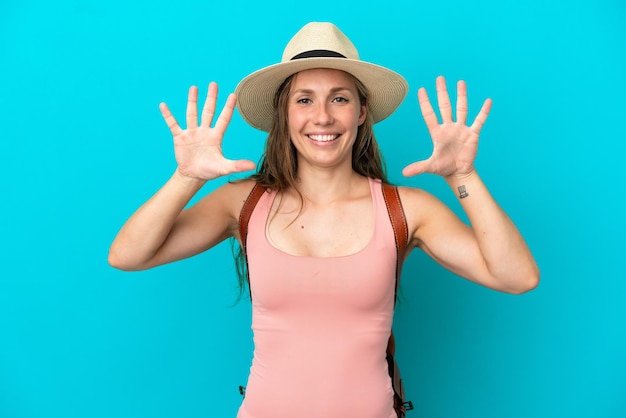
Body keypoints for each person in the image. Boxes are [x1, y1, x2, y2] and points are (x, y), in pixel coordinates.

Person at [109, 22, 539, 418]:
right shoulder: (243, 202)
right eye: (304, 100)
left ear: (361, 111)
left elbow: (517, 276)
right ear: (284, 113)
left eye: (339, 98)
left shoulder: (405, 209)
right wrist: (186, 178)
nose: (323, 117)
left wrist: (463, 176)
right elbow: (127, 255)